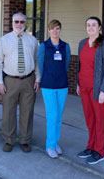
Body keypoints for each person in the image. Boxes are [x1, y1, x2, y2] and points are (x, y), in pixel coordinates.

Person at [0, 12, 40, 153]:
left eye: (22, 22)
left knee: (27, 111)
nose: (19, 24)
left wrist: (38, 78)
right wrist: (0, 82)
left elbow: (37, 61)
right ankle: (9, 140)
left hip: (28, 80)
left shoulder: (32, 40)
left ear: (25, 24)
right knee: (8, 111)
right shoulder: (4, 40)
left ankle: (25, 140)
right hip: (10, 81)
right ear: (12, 23)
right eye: (16, 22)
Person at [76, 16, 104, 165]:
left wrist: (103, 90)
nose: (90, 27)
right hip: (84, 87)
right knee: (90, 119)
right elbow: (80, 65)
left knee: (100, 121)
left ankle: (100, 151)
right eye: (88, 25)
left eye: (93, 25)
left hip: (98, 90)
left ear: (99, 28)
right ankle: (91, 147)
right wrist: (78, 83)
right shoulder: (82, 43)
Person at [38, 19, 71, 158]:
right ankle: (49, 146)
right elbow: (40, 64)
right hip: (48, 85)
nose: (55, 31)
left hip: (62, 85)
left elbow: (67, 63)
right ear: (48, 30)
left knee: (58, 116)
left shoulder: (65, 46)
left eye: (57, 28)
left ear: (60, 30)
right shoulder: (44, 46)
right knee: (52, 116)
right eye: (52, 28)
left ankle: (55, 143)